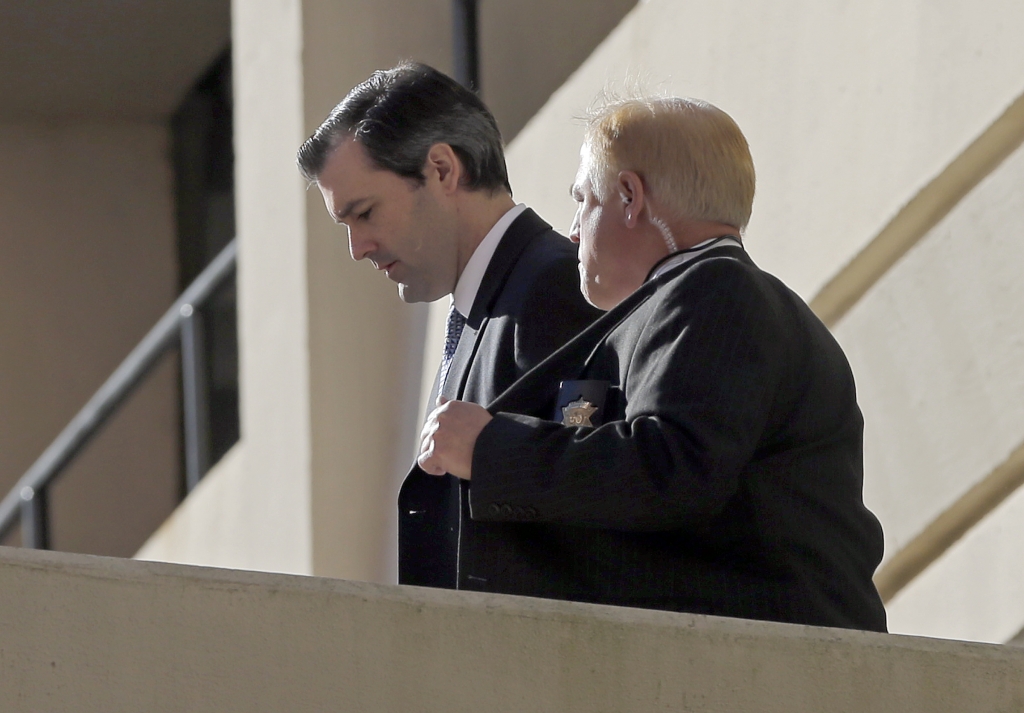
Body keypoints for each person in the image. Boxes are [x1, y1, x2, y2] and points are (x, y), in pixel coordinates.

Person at [416, 96, 888, 631]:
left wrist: (491, 449)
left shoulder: (713, 287)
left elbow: (673, 468)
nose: (572, 232)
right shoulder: (686, 298)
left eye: (583, 201)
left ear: (628, 197)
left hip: (773, 659)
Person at [296, 62, 601, 589]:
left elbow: (597, 489)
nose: (357, 249)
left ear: (441, 169)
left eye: (365, 213)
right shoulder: (487, 301)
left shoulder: (552, 284)